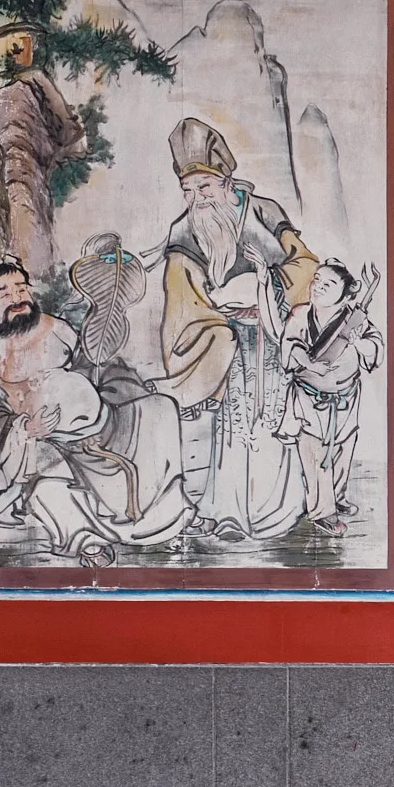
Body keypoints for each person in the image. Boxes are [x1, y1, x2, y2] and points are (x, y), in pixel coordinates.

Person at [0, 262, 191, 566]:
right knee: (48, 472)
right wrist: (24, 428)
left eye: (21, 288)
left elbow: (103, 372)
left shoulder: (57, 331)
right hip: (21, 443)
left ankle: (170, 514)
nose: (17, 297)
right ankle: (85, 540)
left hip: (85, 426)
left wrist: (96, 399)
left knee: (159, 410)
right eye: (3, 292)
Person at [151, 118, 317, 542]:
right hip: (224, 345)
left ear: (226, 181)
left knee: (271, 423)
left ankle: (276, 512)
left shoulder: (264, 211)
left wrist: (267, 288)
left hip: (273, 332)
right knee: (234, 427)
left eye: (205, 188)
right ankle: (226, 511)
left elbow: (307, 267)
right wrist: (212, 334)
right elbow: (181, 301)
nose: (198, 200)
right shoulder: (183, 231)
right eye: (188, 191)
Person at [268, 259, 384, 533]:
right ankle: (322, 511)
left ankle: (338, 495)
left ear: (346, 293)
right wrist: (310, 365)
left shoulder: (355, 318)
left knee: (343, 450)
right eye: (317, 280)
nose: (318, 287)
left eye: (328, 284)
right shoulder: (299, 315)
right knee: (315, 455)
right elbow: (290, 347)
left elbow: (375, 348)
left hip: (346, 397)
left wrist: (358, 342)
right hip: (309, 399)